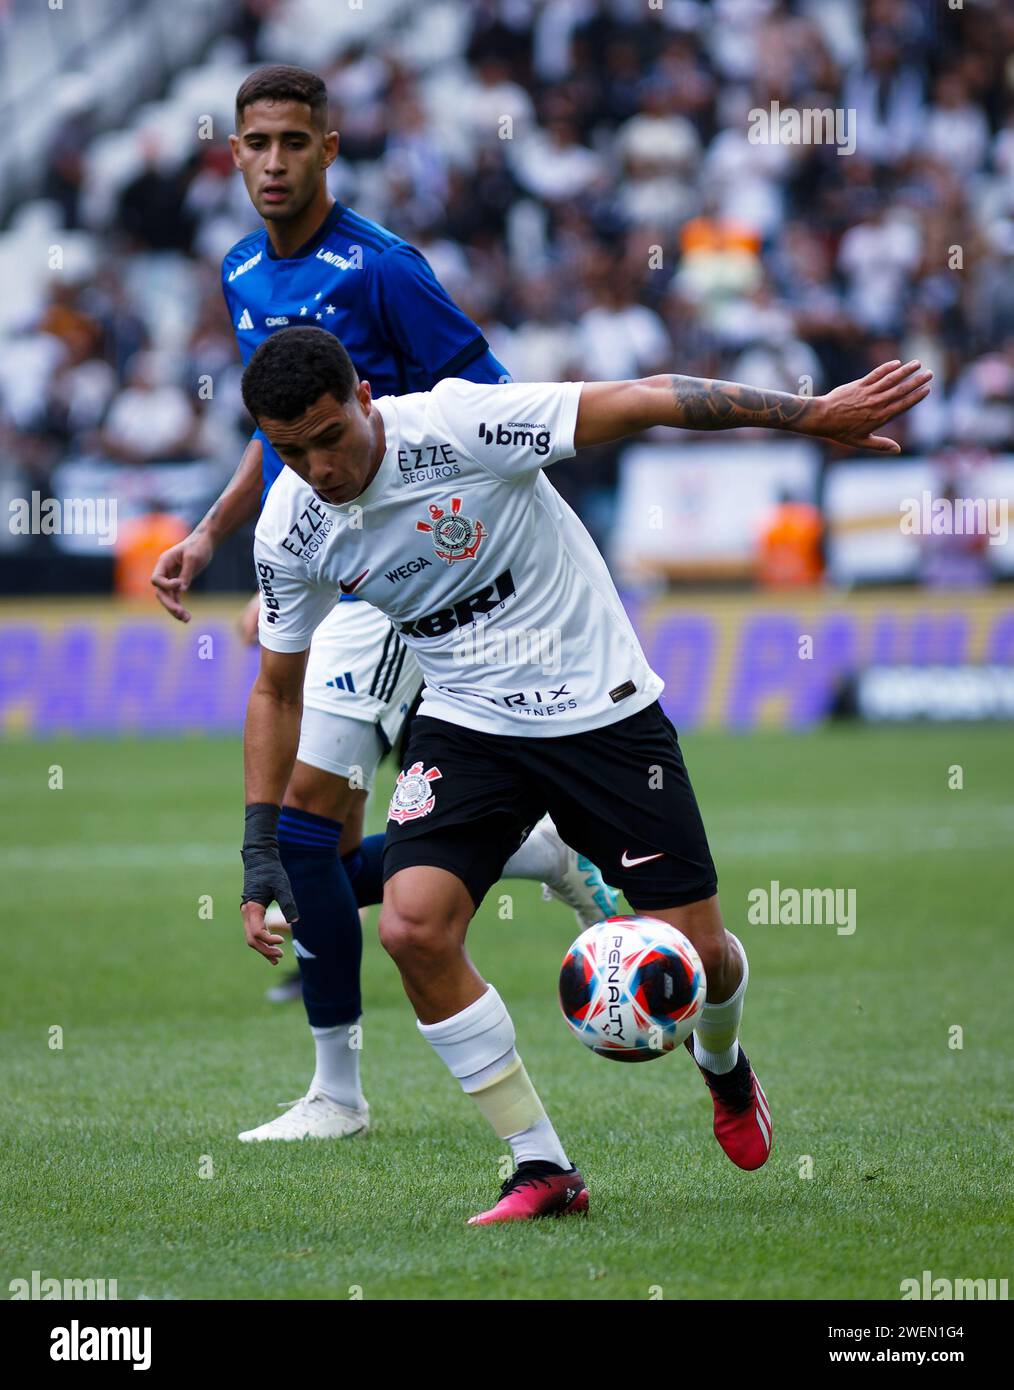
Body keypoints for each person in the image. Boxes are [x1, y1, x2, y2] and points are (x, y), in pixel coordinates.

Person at [237, 325, 931, 1223]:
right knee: (412, 928)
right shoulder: (292, 525)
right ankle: (541, 1165)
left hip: (601, 713)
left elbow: (644, 398)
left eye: (330, 437)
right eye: (293, 452)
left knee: (702, 957)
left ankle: (723, 1066)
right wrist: (259, 848)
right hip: (467, 722)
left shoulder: (460, 426)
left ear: (365, 398)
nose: (320, 468)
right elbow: (275, 690)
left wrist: (811, 415)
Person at [150, 65, 615, 1144]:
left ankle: (339, 1096)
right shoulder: (241, 270)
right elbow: (278, 426)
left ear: (330, 147)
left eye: (293, 143)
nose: (273, 163)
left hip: (404, 562)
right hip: (325, 555)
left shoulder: (385, 268)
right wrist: (218, 535)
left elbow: (491, 400)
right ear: (233, 151)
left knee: (305, 828)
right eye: (256, 143)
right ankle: (535, 854)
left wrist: (445, 546)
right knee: (327, 843)